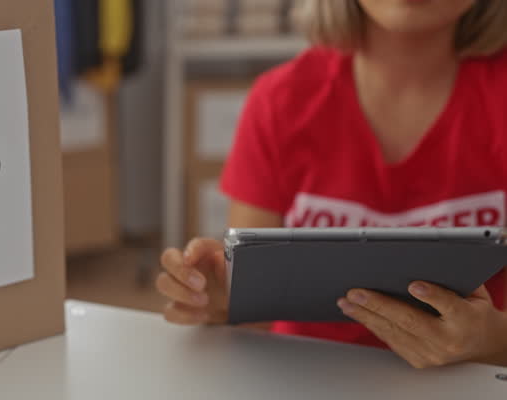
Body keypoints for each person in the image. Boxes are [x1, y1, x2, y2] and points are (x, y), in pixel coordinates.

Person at [157, 0, 507, 368]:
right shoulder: (278, 101)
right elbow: (253, 310)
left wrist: (494, 342)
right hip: (305, 389)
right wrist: (216, 298)